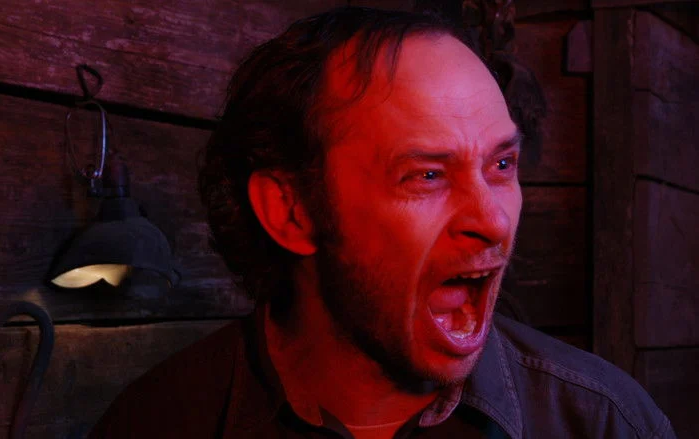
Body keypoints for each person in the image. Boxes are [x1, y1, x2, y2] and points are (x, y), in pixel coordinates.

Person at [90, 7, 675, 438]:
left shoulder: (604, 422)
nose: (494, 221)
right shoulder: (155, 422)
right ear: (291, 211)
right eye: (427, 175)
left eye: (501, 165)